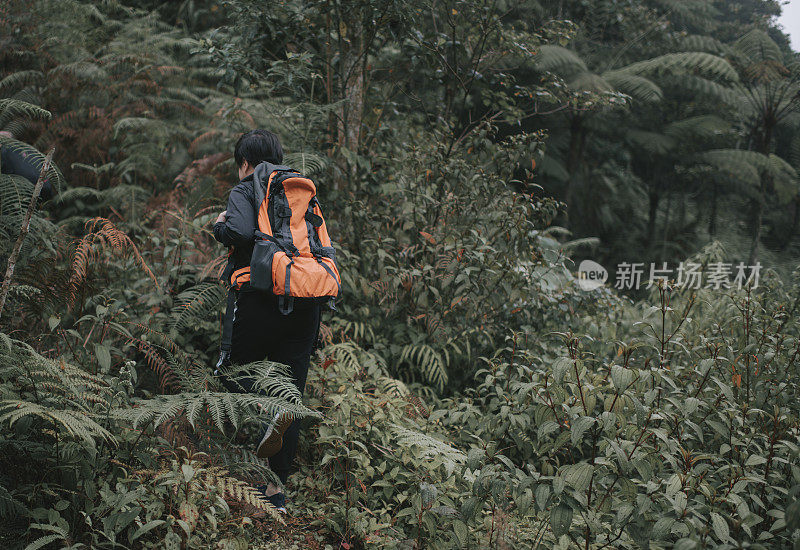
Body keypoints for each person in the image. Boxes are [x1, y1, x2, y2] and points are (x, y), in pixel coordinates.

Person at [213, 129, 321, 513]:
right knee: (288, 394)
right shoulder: (299, 191)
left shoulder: (246, 188)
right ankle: (277, 495)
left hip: (258, 300)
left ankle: (239, 479)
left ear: (244, 161)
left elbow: (239, 231)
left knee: (235, 380)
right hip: (305, 301)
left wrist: (219, 225)